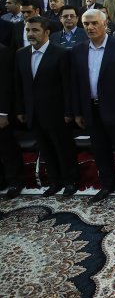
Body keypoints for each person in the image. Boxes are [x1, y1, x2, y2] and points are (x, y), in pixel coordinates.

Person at [71, 10, 115, 203]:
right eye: (86, 24)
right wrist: (78, 111)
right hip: (91, 109)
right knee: (100, 150)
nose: (90, 27)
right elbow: (76, 83)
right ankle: (108, 184)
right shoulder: (78, 50)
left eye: (94, 23)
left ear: (105, 24)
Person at [15, 16, 78, 197]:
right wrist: (20, 109)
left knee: (63, 149)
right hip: (33, 113)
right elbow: (19, 85)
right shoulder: (21, 54)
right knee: (45, 150)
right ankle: (55, 182)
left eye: (35, 30)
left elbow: (68, 86)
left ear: (47, 32)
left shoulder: (61, 53)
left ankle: (71, 181)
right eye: (28, 30)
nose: (30, 34)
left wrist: (69, 111)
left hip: (57, 113)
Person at [0, 40, 24, 200]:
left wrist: (2, 113)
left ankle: (16, 181)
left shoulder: (3, 51)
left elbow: (5, 85)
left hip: (2, 112)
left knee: (7, 148)